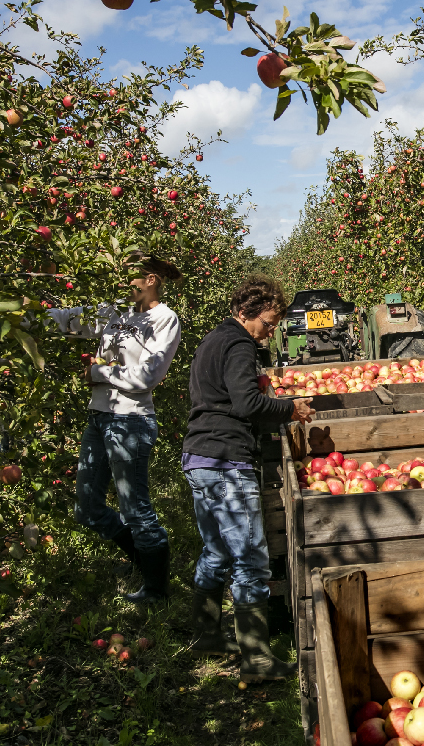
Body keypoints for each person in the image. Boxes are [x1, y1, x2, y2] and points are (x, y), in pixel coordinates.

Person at [183, 274, 314, 681]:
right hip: (225, 460)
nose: (271, 331)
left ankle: (205, 633)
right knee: (250, 558)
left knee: (217, 550)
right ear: (246, 312)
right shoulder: (239, 343)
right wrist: (288, 409)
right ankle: (257, 660)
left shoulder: (213, 339)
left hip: (199, 457)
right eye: (269, 323)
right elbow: (246, 403)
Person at [49, 254, 183, 601]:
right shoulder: (115, 312)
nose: (124, 284)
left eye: (130, 277)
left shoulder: (164, 319)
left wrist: (97, 373)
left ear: (150, 279)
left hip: (131, 420)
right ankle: (141, 557)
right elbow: (68, 320)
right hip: (99, 415)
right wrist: (22, 312)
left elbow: (146, 377)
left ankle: (156, 589)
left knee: (135, 508)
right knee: (87, 507)